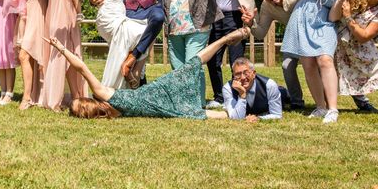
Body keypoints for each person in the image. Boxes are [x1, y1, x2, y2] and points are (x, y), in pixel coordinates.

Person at [45, 27, 251, 120]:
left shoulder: (111, 114)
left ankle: (238, 111)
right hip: (155, 94)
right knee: (193, 64)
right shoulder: (102, 94)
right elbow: (81, 67)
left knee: (197, 112)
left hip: (156, 105)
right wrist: (62, 49)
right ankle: (225, 40)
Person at [281, 0, 370, 123]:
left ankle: (332, 109)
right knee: (308, 64)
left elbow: (333, 18)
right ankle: (320, 106)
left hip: (325, 23)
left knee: (325, 60)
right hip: (304, 16)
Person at [162, 0, 221, 105]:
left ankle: (197, 102)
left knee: (193, 64)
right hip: (174, 29)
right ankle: (181, 101)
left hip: (197, 27)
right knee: (178, 67)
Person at [240, 0, 305, 109]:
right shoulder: (266, 6)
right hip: (293, 36)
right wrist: (251, 23)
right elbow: (261, 32)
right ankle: (296, 101)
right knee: (287, 65)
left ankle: (354, 99)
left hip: (311, 33)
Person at [329, 0, 378, 113]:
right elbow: (334, 14)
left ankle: (363, 104)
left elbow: (364, 37)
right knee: (340, 75)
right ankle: (326, 107)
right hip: (339, 45)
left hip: (363, 50)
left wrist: (348, 17)